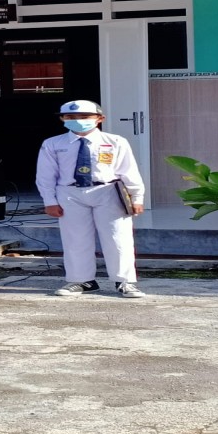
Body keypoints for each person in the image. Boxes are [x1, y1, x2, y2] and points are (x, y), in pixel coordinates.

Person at [35, 99, 146, 298]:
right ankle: (82, 280)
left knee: (118, 237)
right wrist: (49, 201)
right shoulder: (53, 144)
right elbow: (45, 175)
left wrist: (136, 196)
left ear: (100, 118)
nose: (78, 120)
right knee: (75, 238)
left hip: (108, 190)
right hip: (70, 193)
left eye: (85, 116)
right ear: (62, 119)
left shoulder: (115, 141)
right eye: (70, 117)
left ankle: (125, 281)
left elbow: (129, 171)